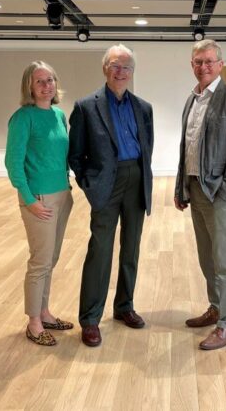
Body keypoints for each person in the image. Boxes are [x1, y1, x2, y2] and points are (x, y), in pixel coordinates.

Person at [69, 44, 154, 347]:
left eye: (127, 67)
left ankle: (124, 307)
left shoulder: (143, 108)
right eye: (115, 66)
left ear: (133, 72)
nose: (121, 72)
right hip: (105, 184)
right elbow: (75, 155)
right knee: (100, 251)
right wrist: (90, 185)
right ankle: (90, 319)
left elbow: (148, 147)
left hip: (136, 180)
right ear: (105, 68)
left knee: (130, 249)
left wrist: (142, 175)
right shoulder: (85, 107)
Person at [174, 39, 226, 350]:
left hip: (219, 191)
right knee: (207, 257)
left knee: (224, 260)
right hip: (195, 188)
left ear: (220, 65)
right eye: (198, 62)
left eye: (209, 61)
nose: (203, 67)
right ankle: (216, 306)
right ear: (192, 65)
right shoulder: (192, 100)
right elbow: (187, 148)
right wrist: (181, 186)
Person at [5, 61, 75, 346]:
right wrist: (29, 199)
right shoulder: (23, 118)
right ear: (29, 87)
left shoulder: (59, 115)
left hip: (62, 194)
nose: (47, 86)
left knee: (51, 260)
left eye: (50, 80)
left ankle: (45, 312)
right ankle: (34, 323)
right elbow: (13, 163)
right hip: (39, 200)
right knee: (39, 262)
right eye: (40, 82)